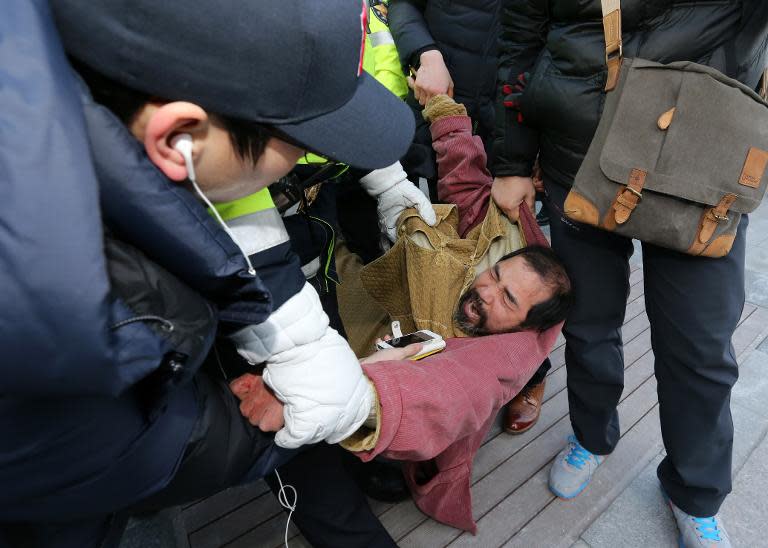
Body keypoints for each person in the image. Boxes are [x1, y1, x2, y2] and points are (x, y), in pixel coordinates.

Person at [0, 1, 417, 546]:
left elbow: (222, 193)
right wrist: (334, 406)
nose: (309, 158)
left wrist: (302, 346)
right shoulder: (48, 303)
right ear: (181, 137)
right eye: (301, 142)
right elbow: (129, 444)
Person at [494, 1, 768, 546]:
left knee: (700, 348)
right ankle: (592, 436)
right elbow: (517, 44)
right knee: (589, 326)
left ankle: (694, 492)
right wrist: (511, 161)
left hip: (703, 163)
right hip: (580, 154)